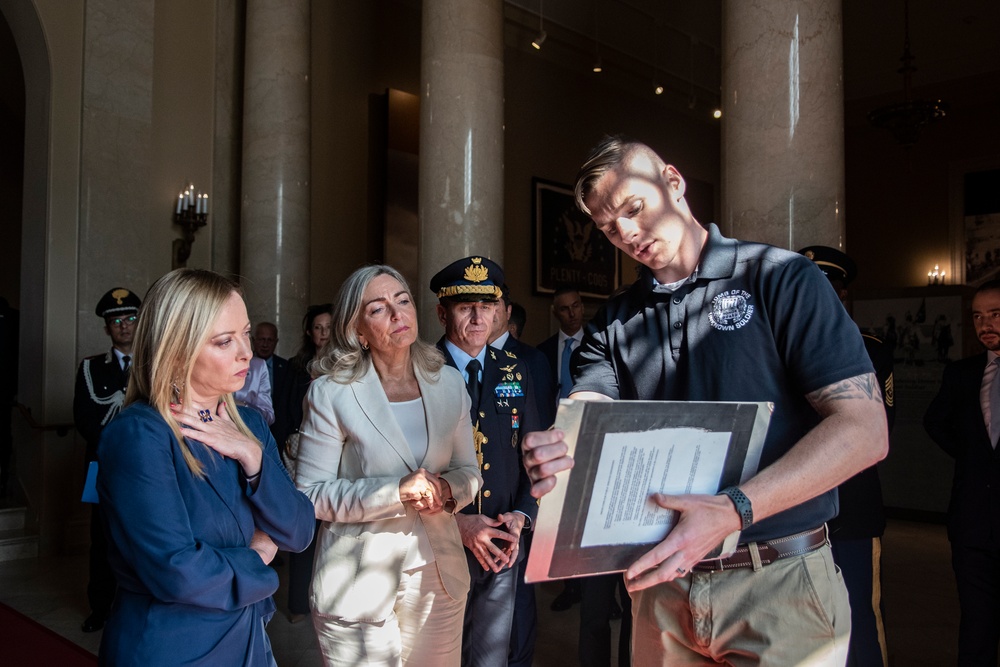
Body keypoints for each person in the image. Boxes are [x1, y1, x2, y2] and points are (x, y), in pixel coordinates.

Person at [522, 136, 888, 666]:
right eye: (608, 226)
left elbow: (864, 430)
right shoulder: (613, 320)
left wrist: (732, 510)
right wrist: (560, 449)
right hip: (661, 587)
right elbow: (588, 411)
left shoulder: (780, 278)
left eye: (633, 208)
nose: (625, 233)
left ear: (674, 181)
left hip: (778, 579)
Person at [95, 268, 315, 666]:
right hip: (173, 646)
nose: (246, 352)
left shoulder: (249, 424)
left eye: (245, 334)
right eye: (224, 341)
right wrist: (259, 553)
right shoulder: (141, 434)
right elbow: (175, 570)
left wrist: (253, 458)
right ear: (177, 350)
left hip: (249, 642)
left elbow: (299, 530)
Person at [293, 264, 481, 666]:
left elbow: (469, 471)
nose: (398, 315)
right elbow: (310, 494)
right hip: (358, 579)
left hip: (438, 572)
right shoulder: (331, 393)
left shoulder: (448, 383)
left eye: (403, 301)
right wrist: (395, 491)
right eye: (378, 308)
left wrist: (448, 491)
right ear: (357, 330)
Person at [431, 256, 540, 667]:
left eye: (488, 306)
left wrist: (523, 516)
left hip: (501, 539)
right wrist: (454, 523)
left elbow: (531, 452)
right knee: (439, 654)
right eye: (465, 307)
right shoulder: (421, 371)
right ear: (443, 313)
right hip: (439, 539)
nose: (479, 318)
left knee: (491, 656)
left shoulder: (515, 369)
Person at [801, 245, 896, 667]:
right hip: (794, 509)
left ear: (843, 295)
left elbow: (876, 431)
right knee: (802, 622)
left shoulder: (870, 348)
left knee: (858, 617)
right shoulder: (780, 344)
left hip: (851, 508)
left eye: (830, 288)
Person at [924, 278, 1000, 666]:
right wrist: (974, 459)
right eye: (978, 316)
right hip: (972, 523)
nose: (986, 324)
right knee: (977, 625)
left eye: (996, 314)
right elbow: (935, 423)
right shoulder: (963, 373)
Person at [487, 286, 552, 667]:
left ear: (507, 312)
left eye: (491, 306)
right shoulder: (443, 361)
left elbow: (537, 429)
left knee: (519, 597)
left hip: (517, 503)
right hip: (469, 506)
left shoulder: (529, 360)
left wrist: (528, 507)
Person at [73, 286, 141, 633]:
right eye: (116, 321)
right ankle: (100, 607)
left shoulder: (152, 366)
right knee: (101, 538)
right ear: (106, 328)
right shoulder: (90, 369)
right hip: (101, 466)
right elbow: (84, 419)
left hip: (144, 468)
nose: (124, 326)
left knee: (139, 535)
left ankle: (135, 606)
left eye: (130, 318)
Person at [285, 303, 333, 623]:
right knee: (305, 526)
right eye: (317, 328)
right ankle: (299, 605)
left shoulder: (351, 364)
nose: (323, 333)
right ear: (308, 332)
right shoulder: (295, 366)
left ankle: (329, 600)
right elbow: (286, 408)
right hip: (301, 450)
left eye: (329, 327)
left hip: (338, 456)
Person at [253, 322, 293, 452]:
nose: (265, 344)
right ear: (253, 340)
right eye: (261, 339)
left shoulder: (286, 367)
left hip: (278, 434)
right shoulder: (242, 365)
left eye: (269, 340)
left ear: (276, 342)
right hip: (249, 428)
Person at [234, 356, 274, 424]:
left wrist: (243, 405)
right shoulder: (213, 364)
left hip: (247, 430)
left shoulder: (257, 365)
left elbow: (269, 416)